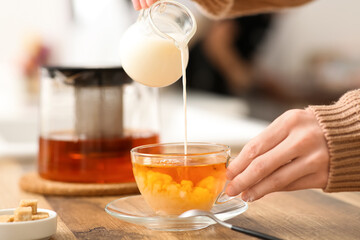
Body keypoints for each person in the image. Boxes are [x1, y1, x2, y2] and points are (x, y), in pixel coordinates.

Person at [131, 0, 360, 201]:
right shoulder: (253, 19)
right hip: (210, 91)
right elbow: (219, 46)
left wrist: (348, 132)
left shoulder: (267, 22)